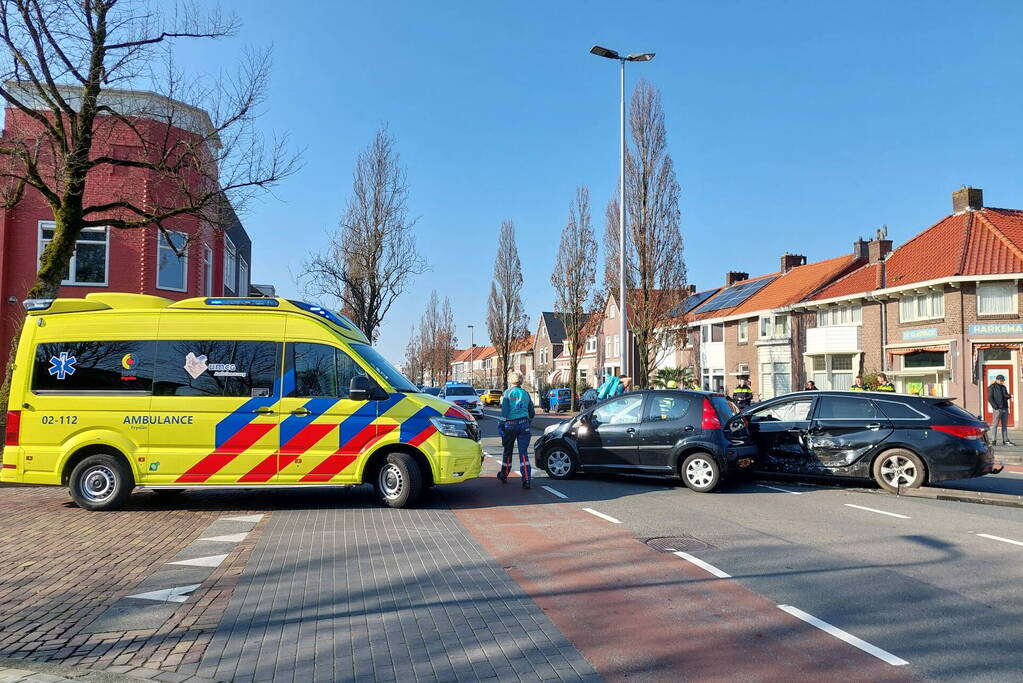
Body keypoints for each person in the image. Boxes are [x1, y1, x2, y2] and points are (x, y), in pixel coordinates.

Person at [499, 372, 535, 488]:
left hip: (510, 425)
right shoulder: (526, 394)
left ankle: (504, 474)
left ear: (511, 381)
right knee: (523, 453)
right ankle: (526, 479)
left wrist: (501, 424)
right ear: (521, 381)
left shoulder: (507, 393)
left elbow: (504, 411)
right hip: (524, 425)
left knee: (508, 451)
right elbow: (532, 413)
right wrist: (528, 421)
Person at [988, 374, 1014, 446]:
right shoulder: (992, 387)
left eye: (1003, 380)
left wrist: (1009, 396)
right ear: (997, 380)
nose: (1002, 382)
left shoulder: (1003, 387)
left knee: (1004, 425)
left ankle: (1005, 440)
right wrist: (995, 407)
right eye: (1001, 380)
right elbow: (990, 398)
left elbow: (1004, 395)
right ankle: (993, 441)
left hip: (1005, 408)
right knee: (995, 425)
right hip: (997, 409)